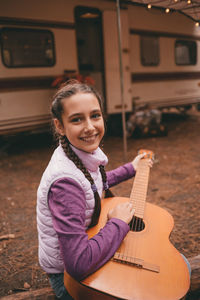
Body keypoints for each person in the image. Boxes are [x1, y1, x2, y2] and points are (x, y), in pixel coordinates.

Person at [36, 80, 152, 299]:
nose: (89, 126)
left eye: (95, 115)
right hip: (70, 279)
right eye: (77, 119)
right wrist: (118, 223)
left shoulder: (74, 153)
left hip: (86, 249)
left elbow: (94, 182)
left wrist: (131, 168)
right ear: (59, 126)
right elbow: (79, 264)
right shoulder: (65, 183)